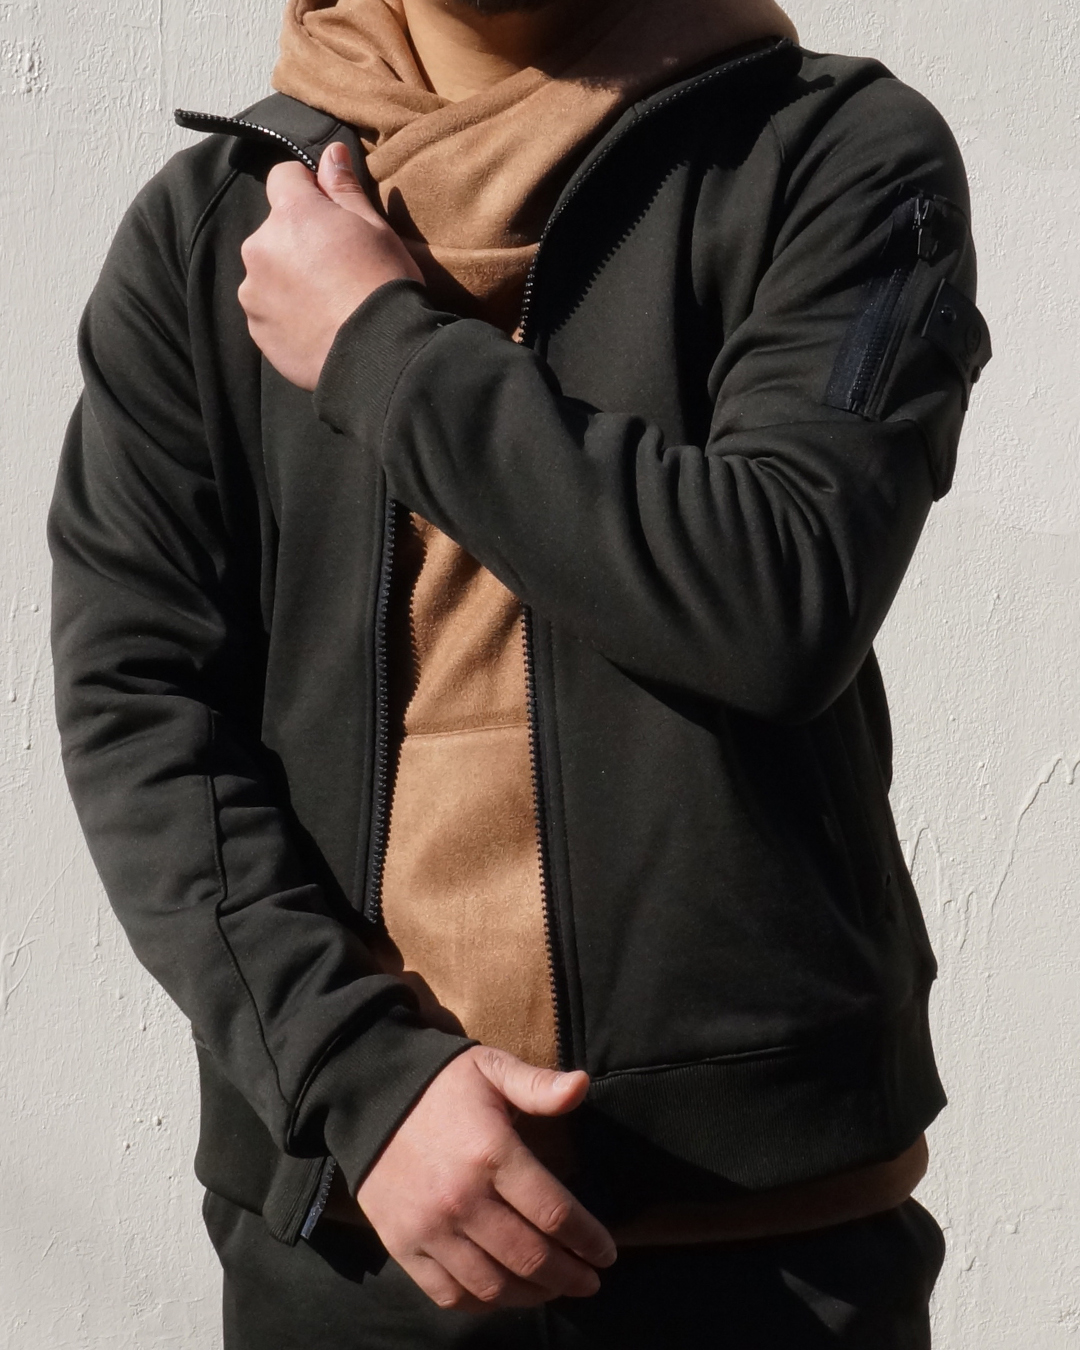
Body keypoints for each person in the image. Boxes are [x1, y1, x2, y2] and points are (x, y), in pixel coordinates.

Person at [49, 0, 992, 1344]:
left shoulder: (834, 154)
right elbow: (143, 712)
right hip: (356, 1237)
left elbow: (779, 599)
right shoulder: (216, 232)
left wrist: (376, 345)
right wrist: (364, 1079)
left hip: (766, 1246)